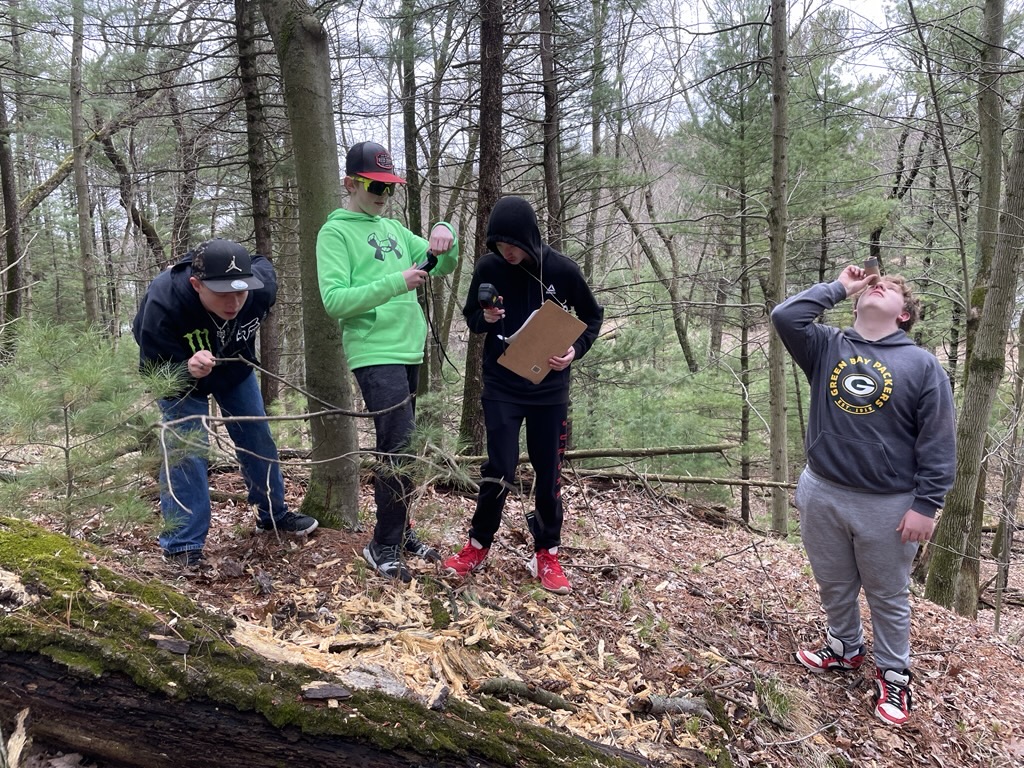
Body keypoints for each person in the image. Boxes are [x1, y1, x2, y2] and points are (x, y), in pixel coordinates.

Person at [771, 265, 956, 726]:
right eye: (874, 284)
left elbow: (937, 442)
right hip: (823, 489)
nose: (880, 286)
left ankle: (894, 673)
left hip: (888, 504)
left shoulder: (922, 365)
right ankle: (844, 647)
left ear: (905, 314)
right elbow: (785, 316)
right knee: (833, 581)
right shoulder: (827, 346)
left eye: (890, 288)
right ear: (856, 302)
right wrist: (839, 286)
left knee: (888, 594)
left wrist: (927, 505)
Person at [442, 196, 603, 595]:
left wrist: (574, 351)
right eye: (499, 245)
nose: (506, 252)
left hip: (549, 388)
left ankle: (546, 552)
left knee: (548, 473)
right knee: (499, 467)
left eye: (512, 244)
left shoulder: (561, 270)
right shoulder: (488, 267)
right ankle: (478, 545)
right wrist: (486, 317)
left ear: (529, 238)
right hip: (501, 385)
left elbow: (592, 316)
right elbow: (471, 317)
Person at [316, 140, 460, 583]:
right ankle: (382, 544)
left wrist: (442, 231)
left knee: (406, 447)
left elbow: (444, 262)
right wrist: (398, 281)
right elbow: (335, 300)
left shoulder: (396, 231)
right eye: (374, 185)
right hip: (374, 350)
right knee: (396, 448)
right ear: (350, 183)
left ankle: (399, 531)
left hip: (409, 348)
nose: (382, 193)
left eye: (389, 187)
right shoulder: (335, 233)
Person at [133, 238, 318, 567]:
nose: (234, 302)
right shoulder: (164, 302)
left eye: (240, 291)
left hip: (234, 367)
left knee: (257, 438)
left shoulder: (260, 288)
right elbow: (153, 371)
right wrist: (185, 368)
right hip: (178, 374)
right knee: (186, 450)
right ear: (196, 284)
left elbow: (262, 260)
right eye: (222, 292)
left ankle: (274, 516)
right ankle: (182, 545)